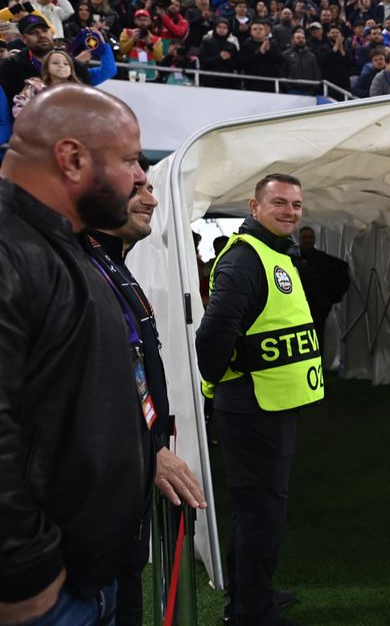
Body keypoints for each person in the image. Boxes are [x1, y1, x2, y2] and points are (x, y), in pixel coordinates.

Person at [0, 84, 150, 625]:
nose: (138, 178)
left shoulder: (63, 242)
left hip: (84, 575)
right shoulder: (13, 249)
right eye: (130, 161)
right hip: (46, 594)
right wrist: (25, 573)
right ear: (72, 159)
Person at [83, 158, 207, 626]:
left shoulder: (111, 264)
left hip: (122, 502)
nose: (152, 200)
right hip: (90, 515)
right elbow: (83, 391)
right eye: (136, 188)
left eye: (149, 187)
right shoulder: (79, 269)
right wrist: (146, 451)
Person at [196, 173, 324, 626]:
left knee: (258, 509)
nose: (290, 211)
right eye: (279, 203)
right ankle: (251, 612)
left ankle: (252, 594)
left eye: (296, 204)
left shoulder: (273, 251)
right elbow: (212, 334)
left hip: (269, 404)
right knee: (260, 512)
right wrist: (219, 381)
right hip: (253, 405)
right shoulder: (245, 258)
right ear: (254, 207)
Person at [295, 225, 350, 370]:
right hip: (296, 308)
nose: (308, 240)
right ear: (299, 239)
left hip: (317, 308)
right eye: (305, 237)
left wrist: (330, 299)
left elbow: (342, 271)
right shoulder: (292, 258)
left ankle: (316, 367)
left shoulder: (322, 258)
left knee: (317, 338)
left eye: (310, 237)